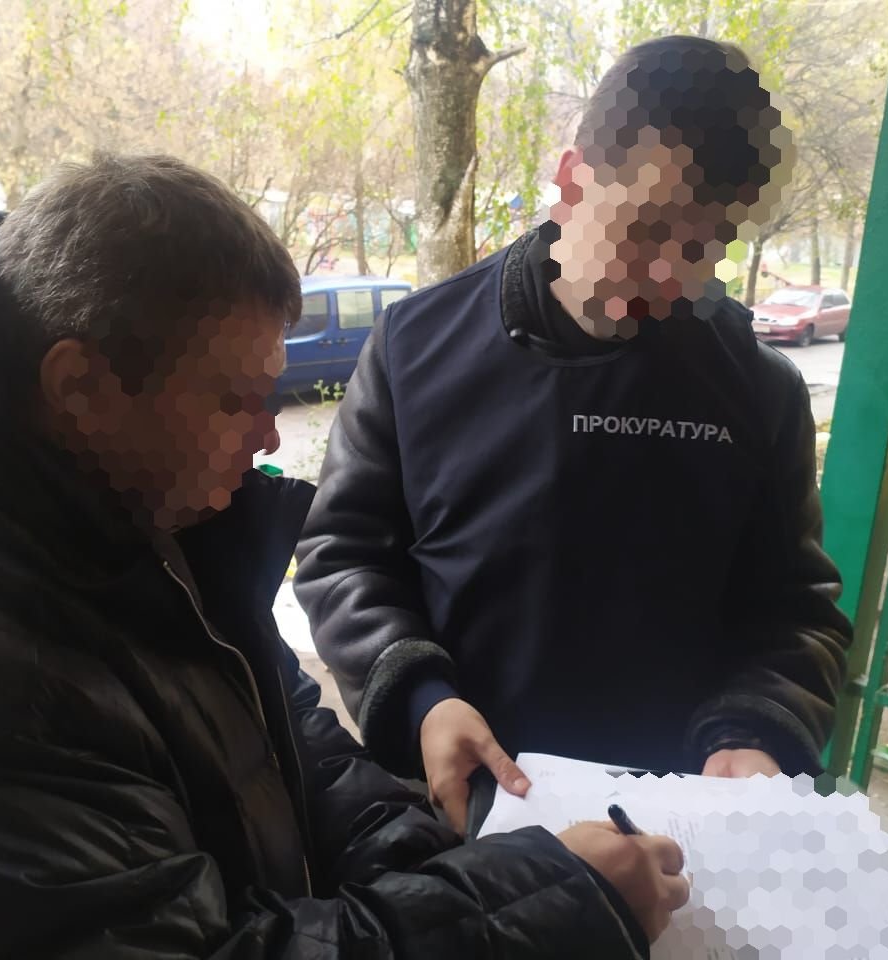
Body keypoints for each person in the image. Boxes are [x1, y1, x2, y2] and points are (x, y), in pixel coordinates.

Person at [0, 153, 690, 959]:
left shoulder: (118, 523)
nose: (269, 437)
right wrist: (546, 907)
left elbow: (284, 742)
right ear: (81, 388)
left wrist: (439, 865)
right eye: (236, 399)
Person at [293, 35, 855, 835]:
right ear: (569, 181)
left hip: (675, 827)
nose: (671, 279)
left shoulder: (760, 390)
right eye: (646, 231)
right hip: (468, 808)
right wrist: (421, 699)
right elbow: (342, 554)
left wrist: (755, 729)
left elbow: (796, 608)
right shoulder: (414, 346)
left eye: (704, 248)